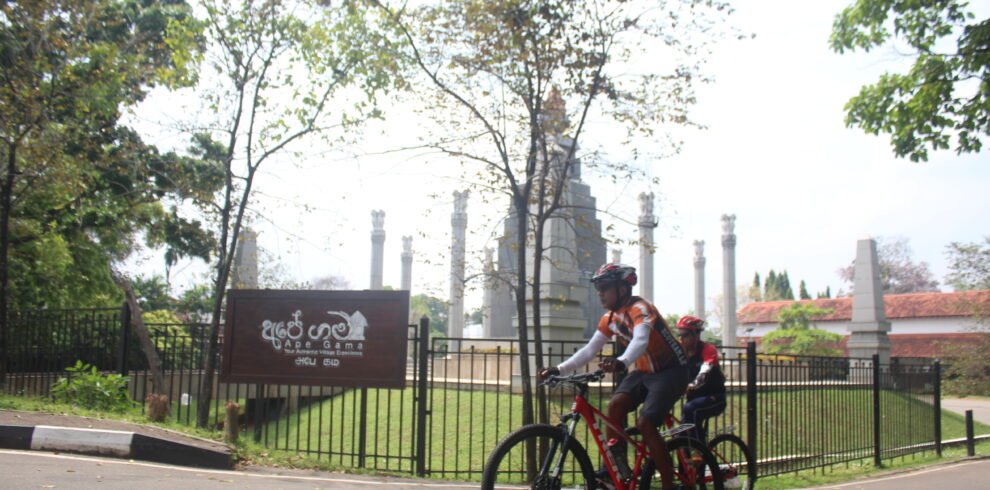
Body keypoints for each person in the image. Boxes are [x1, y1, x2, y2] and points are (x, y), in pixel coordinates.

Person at [539, 263, 689, 490]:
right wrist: (559, 369)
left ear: (622, 289)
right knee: (615, 407)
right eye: (598, 288)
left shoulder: (640, 308)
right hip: (644, 371)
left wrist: (622, 362)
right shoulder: (610, 318)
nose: (600, 293)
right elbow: (589, 351)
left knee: (646, 424)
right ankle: (616, 469)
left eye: (605, 287)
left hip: (672, 370)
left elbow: (640, 339)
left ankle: (669, 484)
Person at [675, 315, 726, 445]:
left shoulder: (708, 349)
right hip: (694, 400)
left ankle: (700, 453)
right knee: (681, 437)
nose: (681, 339)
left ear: (696, 335)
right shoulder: (682, 353)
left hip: (714, 398)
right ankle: (686, 463)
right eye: (679, 335)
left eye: (685, 335)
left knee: (690, 408)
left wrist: (692, 385)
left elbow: (705, 369)